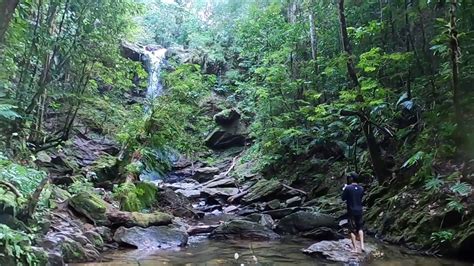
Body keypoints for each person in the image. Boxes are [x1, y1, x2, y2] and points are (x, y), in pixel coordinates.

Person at [342, 172, 365, 253]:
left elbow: (343, 198)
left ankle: (355, 249)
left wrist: (344, 189)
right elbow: (360, 197)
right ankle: (362, 246)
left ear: (351, 178)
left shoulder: (348, 188)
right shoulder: (361, 188)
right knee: (360, 228)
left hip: (351, 211)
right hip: (359, 210)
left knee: (351, 230)